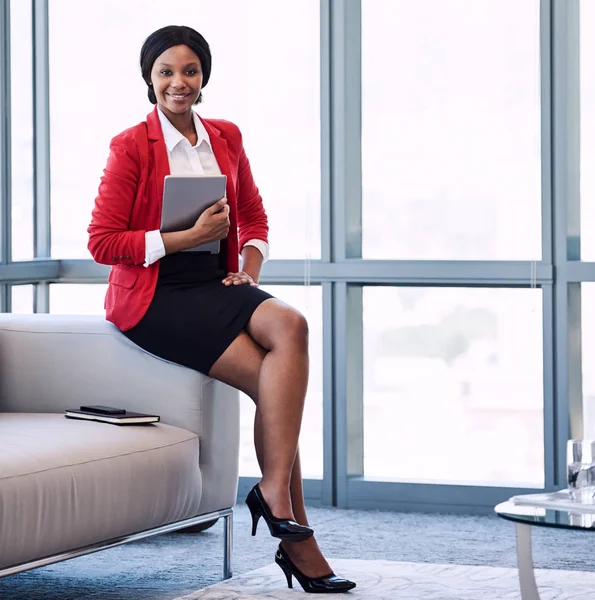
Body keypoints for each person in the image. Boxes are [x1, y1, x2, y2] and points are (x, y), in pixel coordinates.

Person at [87, 25, 355, 594]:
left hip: (219, 281)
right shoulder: (131, 145)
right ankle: (299, 543)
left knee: (292, 323)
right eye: (166, 72)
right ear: (149, 80)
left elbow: (253, 214)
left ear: (203, 77)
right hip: (155, 295)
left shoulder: (226, 137)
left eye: (189, 71)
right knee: (274, 387)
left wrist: (249, 269)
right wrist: (186, 237)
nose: (178, 82)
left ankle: (273, 491)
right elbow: (104, 242)